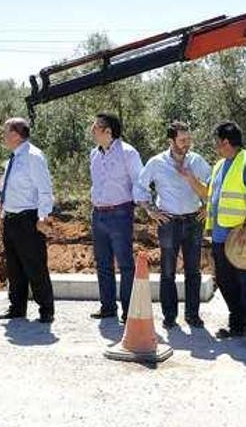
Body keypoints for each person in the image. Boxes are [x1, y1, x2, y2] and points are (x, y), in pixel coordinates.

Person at [134, 121, 211, 329]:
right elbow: (140, 186)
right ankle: (169, 317)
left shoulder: (197, 160)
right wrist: (150, 210)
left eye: (189, 139)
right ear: (171, 141)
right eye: (182, 140)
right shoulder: (157, 163)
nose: (187, 144)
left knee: (193, 271)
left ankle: (192, 315)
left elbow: (214, 183)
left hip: (194, 220)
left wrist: (208, 206)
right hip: (168, 222)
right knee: (168, 271)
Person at [205, 121, 246, 350]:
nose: (215, 147)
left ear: (225, 141)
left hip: (242, 236)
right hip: (221, 236)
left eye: (216, 143)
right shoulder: (220, 165)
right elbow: (213, 195)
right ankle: (237, 324)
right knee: (224, 280)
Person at [0, 117, 56, 323]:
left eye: (5, 132)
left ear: (15, 134)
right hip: (11, 219)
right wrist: (3, 214)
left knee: (35, 266)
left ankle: (46, 309)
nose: (3, 136)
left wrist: (43, 217)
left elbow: (45, 190)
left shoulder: (33, 156)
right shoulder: (12, 158)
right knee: (14, 267)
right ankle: (17, 307)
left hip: (28, 219)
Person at [89, 113, 143, 323]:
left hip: (120, 213)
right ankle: (108, 307)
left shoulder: (128, 153)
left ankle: (128, 311)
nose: (92, 131)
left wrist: (143, 206)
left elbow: (139, 181)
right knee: (102, 263)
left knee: (125, 264)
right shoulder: (94, 154)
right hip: (98, 213)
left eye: (95, 127)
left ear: (108, 131)